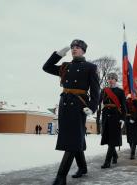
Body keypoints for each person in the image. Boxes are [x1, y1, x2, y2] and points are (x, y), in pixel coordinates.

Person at [43, 39, 100, 185]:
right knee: (75, 138)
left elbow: (95, 92)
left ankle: (61, 177)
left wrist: (92, 108)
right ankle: (83, 167)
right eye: (73, 47)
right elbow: (46, 67)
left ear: (83, 50)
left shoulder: (90, 67)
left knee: (72, 140)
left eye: (78, 47)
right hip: (65, 104)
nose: (74, 49)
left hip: (79, 106)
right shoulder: (65, 66)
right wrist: (58, 55)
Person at [98, 73, 126, 168]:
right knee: (108, 138)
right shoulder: (104, 90)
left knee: (112, 139)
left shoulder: (120, 91)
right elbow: (98, 102)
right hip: (105, 115)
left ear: (116, 80)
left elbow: (124, 107)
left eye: (112, 78)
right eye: (109, 78)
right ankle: (115, 155)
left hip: (116, 117)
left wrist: (123, 118)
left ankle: (107, 162)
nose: (110, 80)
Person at [125, 95, 137, 159]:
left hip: (135, 121)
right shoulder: (125, 102)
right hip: (127, 120)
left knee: (134, 137)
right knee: (129, 137)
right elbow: (123, 111)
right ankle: (132, 149)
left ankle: (133, 153)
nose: (129, 98)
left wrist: (133, 118)